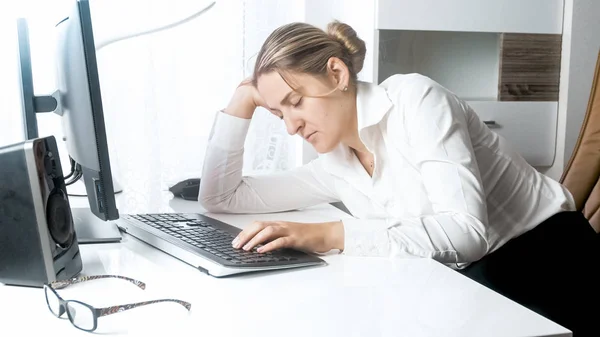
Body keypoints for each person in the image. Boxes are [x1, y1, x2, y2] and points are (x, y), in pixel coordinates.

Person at [199, 20, 600, 336]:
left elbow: (467, 234)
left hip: (553, 265)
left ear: (336, 74)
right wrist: (243, 101)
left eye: (296, 102)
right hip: (469, 284)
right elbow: (221, 198)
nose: (291, 126)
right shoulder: (335, 165)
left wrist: (329, 235)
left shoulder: (416, 100)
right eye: (278, 113)